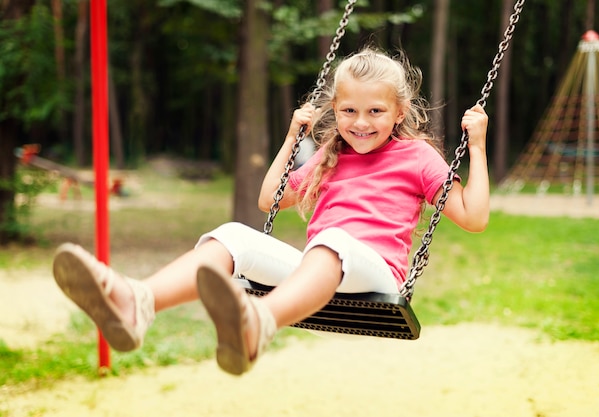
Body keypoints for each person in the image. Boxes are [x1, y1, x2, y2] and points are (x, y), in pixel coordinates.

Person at [52, 47, 489, 376]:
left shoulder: (416, 156)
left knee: (332, 242)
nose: (360, 122)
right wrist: (293, 137)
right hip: (319, 267)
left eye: (376, 111)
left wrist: (478, 146)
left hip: (374, 274)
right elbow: (270, 199)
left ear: (399, 113)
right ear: (333, 111)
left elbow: (474, 217)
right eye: (348, 111)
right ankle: (137, 302)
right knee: (234, 236)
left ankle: (259, 323)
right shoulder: (330, 155)